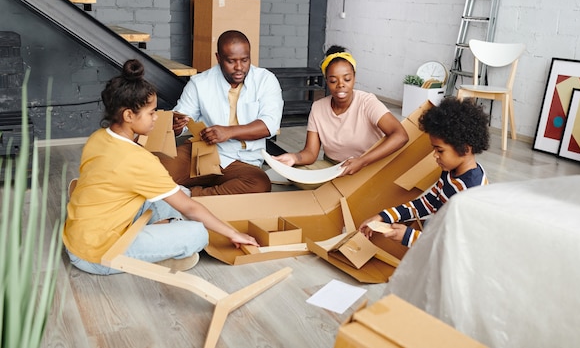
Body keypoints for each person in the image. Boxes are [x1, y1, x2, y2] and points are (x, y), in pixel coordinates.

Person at [63, 59, 259, 275]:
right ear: (129, 115)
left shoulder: (98, 137)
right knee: (198, 233)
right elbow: (189, 208)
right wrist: (233, 233)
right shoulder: (138, 159)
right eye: (151, 112)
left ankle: (158, 236)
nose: (157, 118)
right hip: (98, 254)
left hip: (79, 236)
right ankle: (156, 250)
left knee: (181, 193)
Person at [159, 30, 283, 196]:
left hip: (243, 161)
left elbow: (270, 126)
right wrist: (176, 126)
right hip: (202, 152)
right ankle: (199, 197)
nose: (239, 67)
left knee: (259, 184)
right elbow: (182, 118)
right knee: (155, 171)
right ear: (218, 58)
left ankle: (189, 196)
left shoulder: (266, 80)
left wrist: (228, 132)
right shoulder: (200, 83)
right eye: (231, 61)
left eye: (245, 60)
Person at [359, 97, 490, 247]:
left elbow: (456, 244)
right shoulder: (450, 171)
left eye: (440, 150)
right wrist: (383, 216)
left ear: (466, 149)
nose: (435, 155)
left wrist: (409, 236)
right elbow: (427, 203)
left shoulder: (471, 193)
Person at [273, 45, 408, 178]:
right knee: (296, 175)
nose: (340, 85)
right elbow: (310, 153)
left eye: (347, 79)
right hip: (334, 168)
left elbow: (400, 135)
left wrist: (362, 161)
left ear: (354, 78)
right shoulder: (318, 107)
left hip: (368, 166)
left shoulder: (367, 102)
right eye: (333, 81)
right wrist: (294, 158)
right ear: (326, 81)